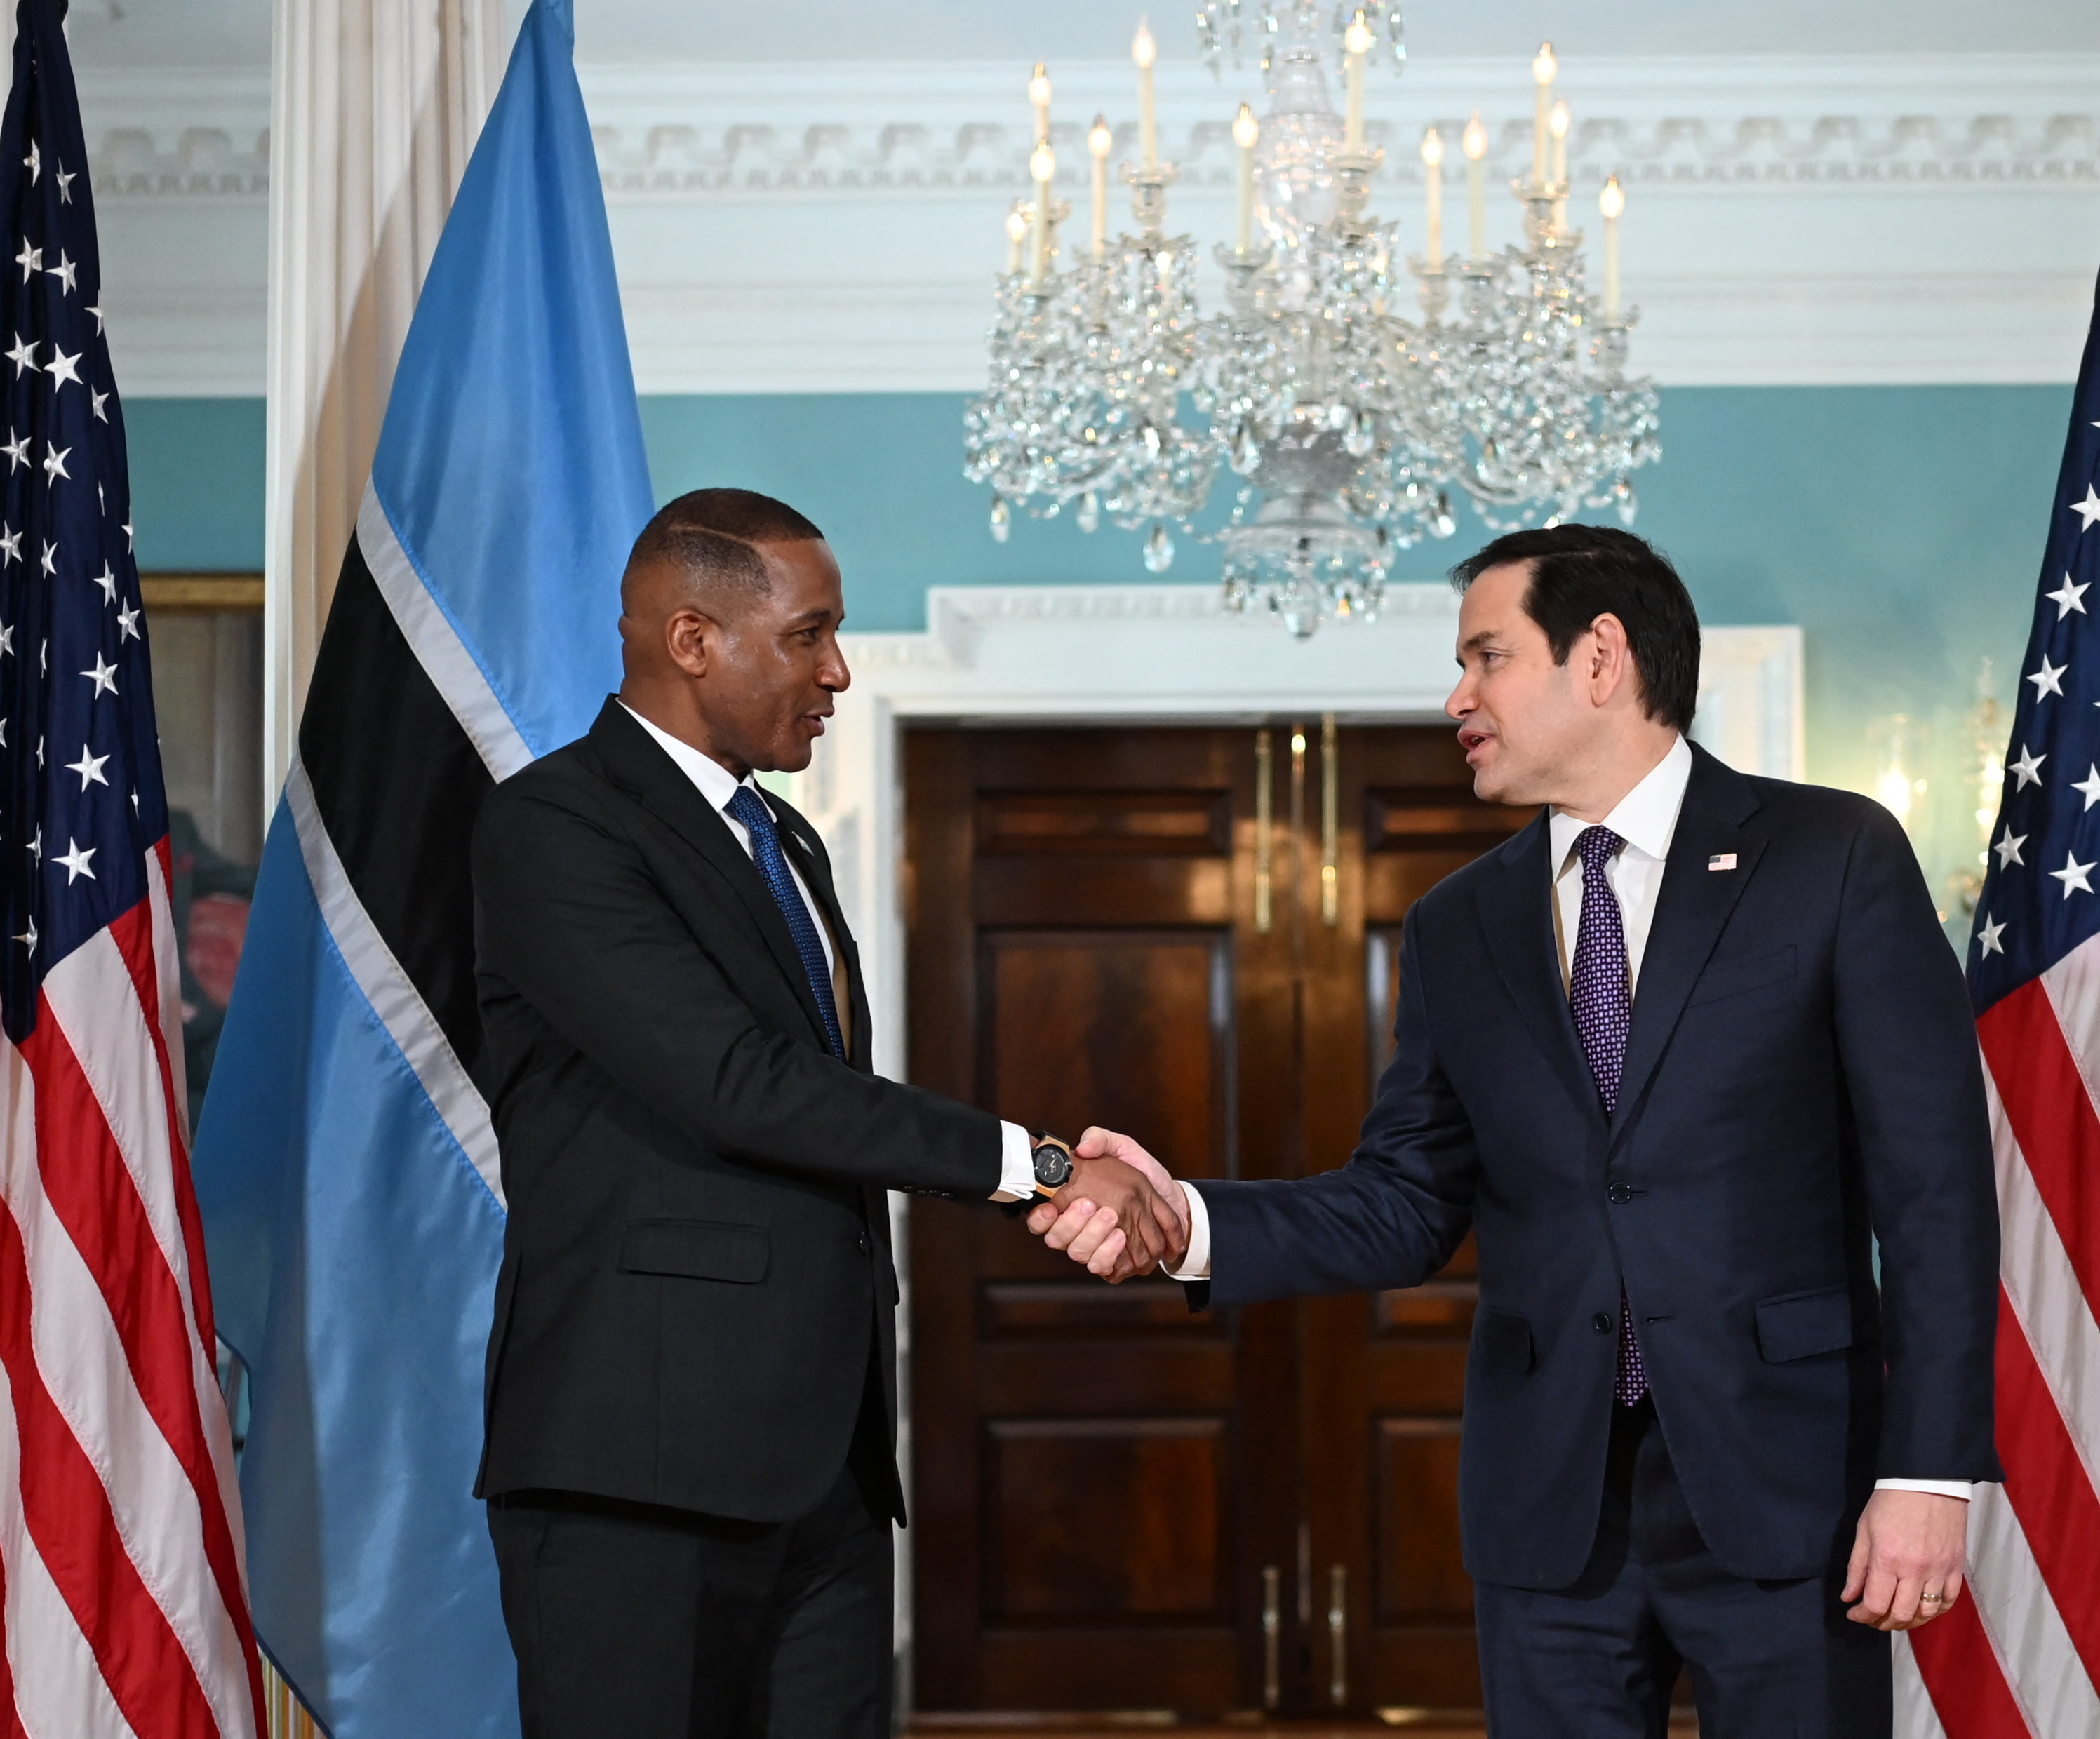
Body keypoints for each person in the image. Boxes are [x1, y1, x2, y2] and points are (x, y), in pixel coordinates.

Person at [1038, 525, 2001, 1739]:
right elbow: (1401, 1198)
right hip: (1548, 1509)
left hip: (1790, 1488)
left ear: (1598, 657)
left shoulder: (1829, 855)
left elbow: (1935, 1193)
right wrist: (1184, 1219)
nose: (1457, 696)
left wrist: (1926, 1472)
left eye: (1485, 656)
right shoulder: (1458, 921)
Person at [467, 488, 1180, 1739]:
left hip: (825, 1474)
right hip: (638, 1471)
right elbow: (737, 1081)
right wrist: (1042, 1163)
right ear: (693, 639)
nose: (839, 670)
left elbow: (816, 1100)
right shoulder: (556, 823)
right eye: (810, 633)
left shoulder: (782, 838)